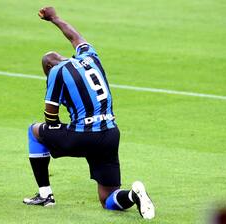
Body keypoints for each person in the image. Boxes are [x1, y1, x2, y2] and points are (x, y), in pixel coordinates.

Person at [23, 6, 155, 219]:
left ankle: (45, 195)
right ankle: (132, 195)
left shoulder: (56, 73)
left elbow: (51, 115)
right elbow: (75, 36)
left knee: (35, 131)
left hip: (83, 135)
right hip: (110, 134)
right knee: (107, 199)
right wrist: (55, 18)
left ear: (47, 69)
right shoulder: (90, 57)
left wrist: (56, 131)